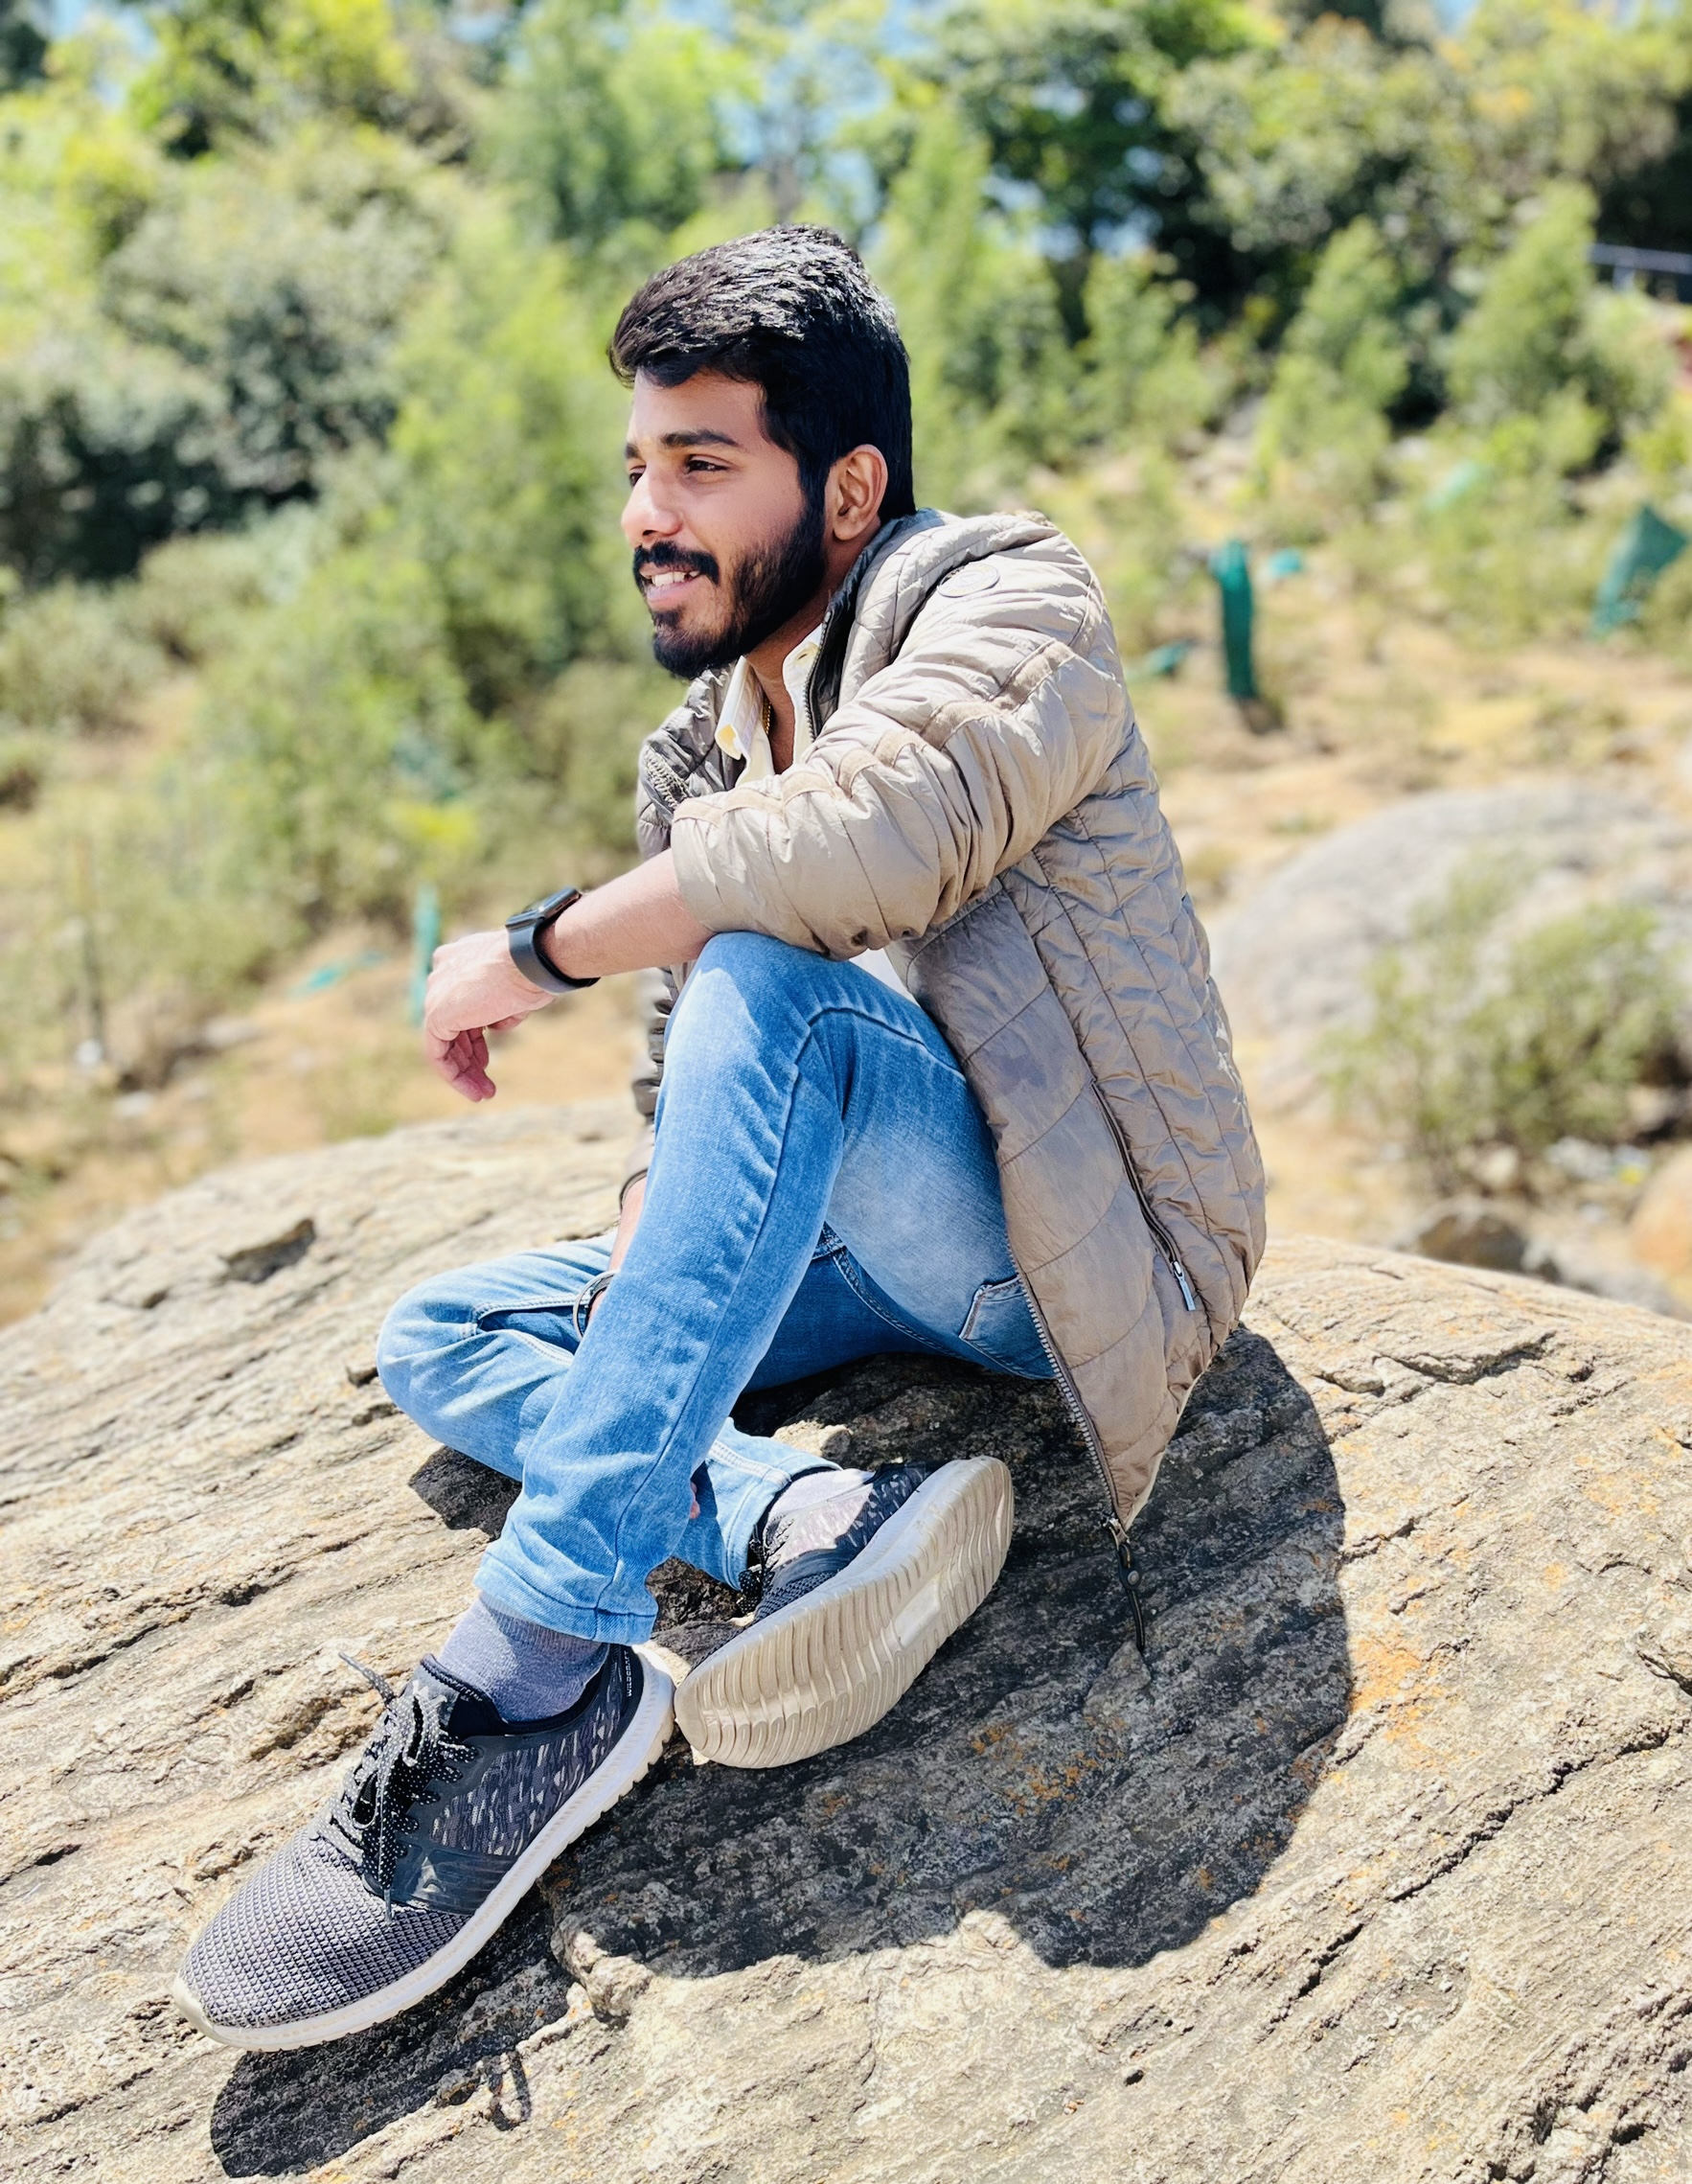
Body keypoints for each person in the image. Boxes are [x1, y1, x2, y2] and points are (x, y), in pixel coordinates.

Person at [173, 226, 1265, 2054]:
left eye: (699, 465)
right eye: (635, 468)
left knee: (772, 974)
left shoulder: (1010, 601)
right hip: (854, 1235)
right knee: (450, 1331)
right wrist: (638, 1253)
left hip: (1069, 1250)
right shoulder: (692, 749)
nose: (645, 517)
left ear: (846, 488)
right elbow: (688, 1083)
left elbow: (861, 844)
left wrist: (536, 951)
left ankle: (533, 1673)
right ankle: (805, 1512)